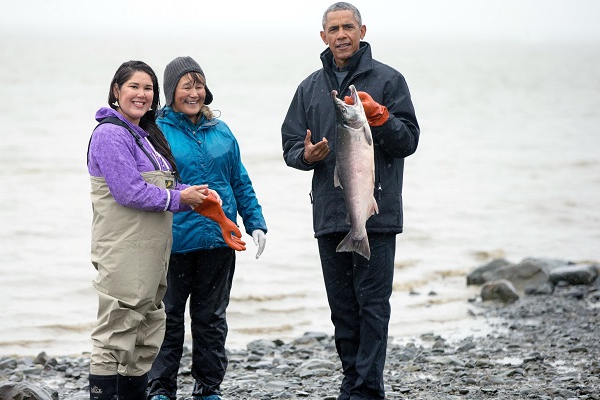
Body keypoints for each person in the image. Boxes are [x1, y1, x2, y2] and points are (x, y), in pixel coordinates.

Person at [281, 3, 420, 399]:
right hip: (329, 213)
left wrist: (380, 117)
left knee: (372, 305)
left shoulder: (389, 80)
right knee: (342, 308)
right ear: (323, 37)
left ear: (362, 30)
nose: (341, 34)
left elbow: (407, 141)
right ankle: (352, 380)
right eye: (333, 28)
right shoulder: (309, 88)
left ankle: (367, 388)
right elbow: (291, 145)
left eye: (348, 27)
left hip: (376, 215)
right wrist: (306, 156)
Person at [87, 60, 213, 400]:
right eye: (134, 87)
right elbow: (128, 191)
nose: (142, 95)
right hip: (124, 250)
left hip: (152, 253)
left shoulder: (144, 135)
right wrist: (179, 197)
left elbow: (163, 187)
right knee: (116, 330)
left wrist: (194, 195)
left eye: (148, 89)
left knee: (146, 330)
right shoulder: (111, 134)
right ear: (116, 91)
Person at [147, 56, 268, 400]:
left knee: (211, 319)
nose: (194, 92)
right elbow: (149, 185)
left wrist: (255, 222)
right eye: (186, 86)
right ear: (171, 92)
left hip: (219, 240)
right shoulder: (156, 130)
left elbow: (240, 181)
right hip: (174, 241)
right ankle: (160, 388)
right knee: (167, 319)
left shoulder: (222, 131)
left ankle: (208, 388)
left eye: (198, 85)